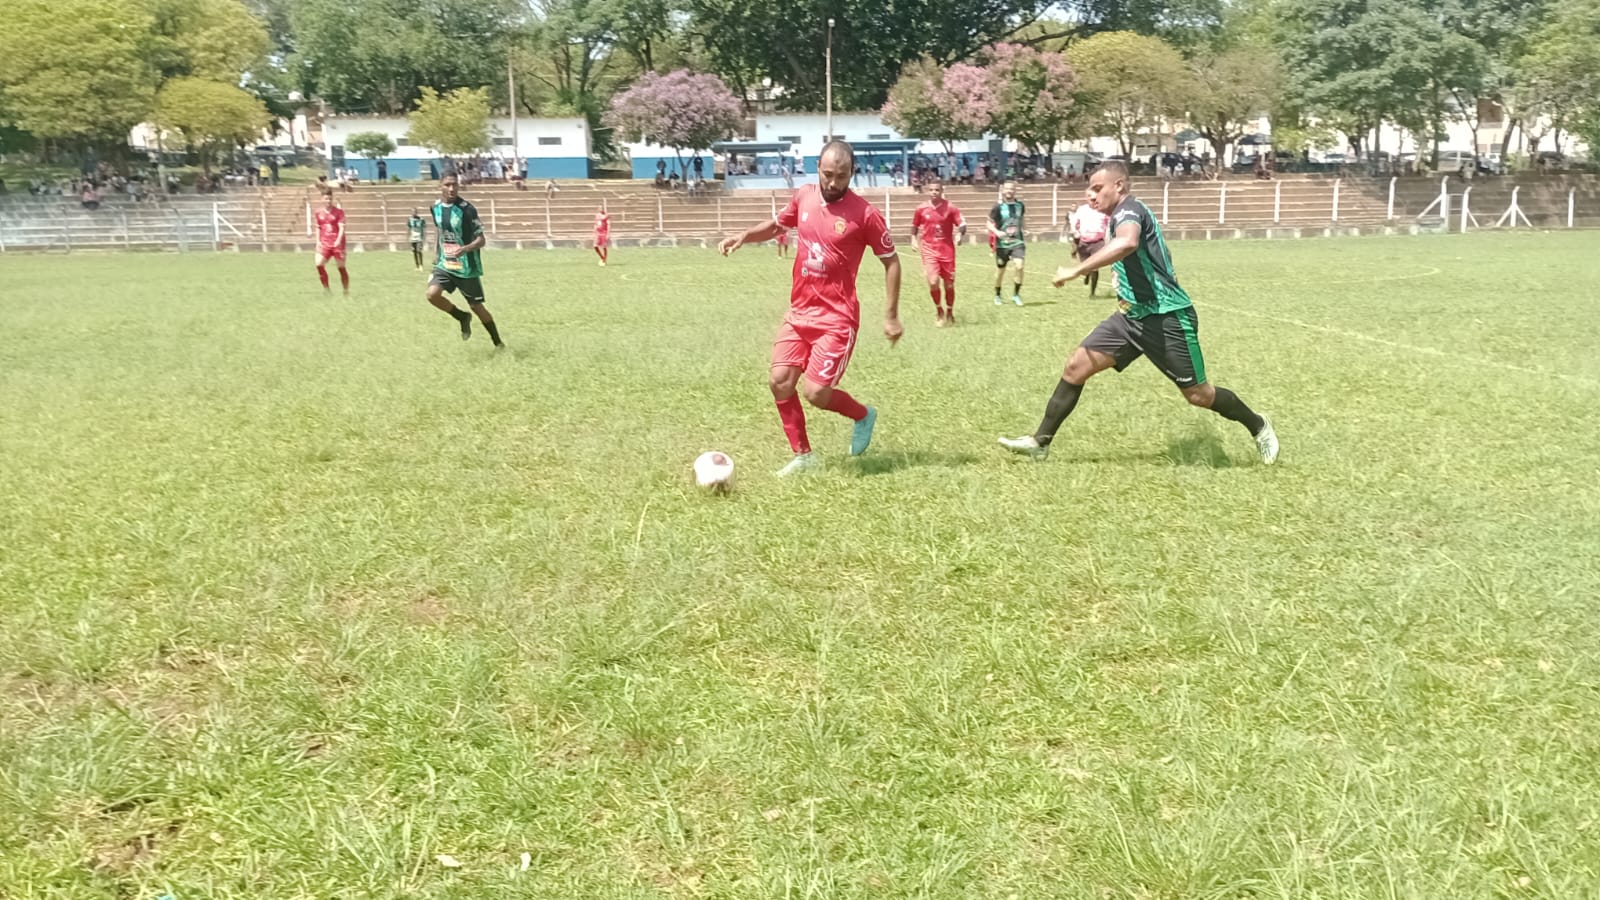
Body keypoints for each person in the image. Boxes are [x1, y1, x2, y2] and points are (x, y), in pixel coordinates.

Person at [997, 161, 1279, 464]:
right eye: (1088, 189)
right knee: (1076, 367)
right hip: (1130, 318)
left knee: (1198, 395)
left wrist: (1077, 269)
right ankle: (1041, 442)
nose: (1090, 196)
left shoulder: (1129, 210)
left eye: (1097, 188)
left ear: (1118, 186)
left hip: (1167, 317)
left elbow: (1128, 241)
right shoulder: (1118, 215)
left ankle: (1258, 425)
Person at [717, 141, 902, 477]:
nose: (833, 183)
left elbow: (891, 262)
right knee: (779, 381)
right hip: (799, 313)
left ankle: (862, 415)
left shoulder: (865, 215)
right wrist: (744, 235)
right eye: (828, 174)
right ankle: (804, 456)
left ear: (852, 173)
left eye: (841, 176)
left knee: (816, 393)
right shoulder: (803, 196)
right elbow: (777, 226)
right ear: (817, 167)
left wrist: (890, 315)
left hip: (837, 319)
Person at [426, 174, 503, 348]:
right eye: (448, 184)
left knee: (477, 307)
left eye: (455, 185)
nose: (452, 188)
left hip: (466, 268)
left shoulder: (467, 209)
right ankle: (462, 316)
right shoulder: (435, 207)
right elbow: (439, 230)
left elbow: (481, 240)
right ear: (440, 185)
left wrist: (465, 249)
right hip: (445, 264)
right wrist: (436, 254)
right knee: (432, 295)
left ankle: (498, 343)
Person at [909, 176, 966, 326]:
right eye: (931, 190)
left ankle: (950, 311)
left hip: (947, 250)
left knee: (949, 285)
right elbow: (914, 226)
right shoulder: (921, 208)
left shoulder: (951, 208)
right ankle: (939, 311)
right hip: (929, 249)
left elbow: (962, 224)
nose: (934, 192)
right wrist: (913, 239)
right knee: (933, 282)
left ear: (942, 191)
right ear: (928, 191)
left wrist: (960, 234)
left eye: (937, 190)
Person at [987, 181, 1026, 306]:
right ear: (1003, 190)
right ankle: (997, 295)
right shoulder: (997, 207)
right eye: (1007, 189)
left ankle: (1016, 295)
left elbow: (1022, 219)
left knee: (1019, 266)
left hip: (1017, 242)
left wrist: (1024, 229)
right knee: (1000, 271)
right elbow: (988, 223)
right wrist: (997, 232)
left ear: (1015, 190)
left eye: (1012, 189)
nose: (1009, 191)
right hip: (1002, 245)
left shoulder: (1020, 205)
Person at [1067, 189, 1110, 297]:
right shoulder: (1082, 210)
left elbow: (1109, 223)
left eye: (1096, 199)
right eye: (1092, 199)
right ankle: (1087, 274)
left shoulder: (1103, 209)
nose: (1094, 201)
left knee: (1095, 266)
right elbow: (1074, 223)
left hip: (1098, 242)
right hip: (1084, 242)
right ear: (1087, 199)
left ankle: (1092, 293)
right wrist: (1075, 233)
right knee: (1085, 268)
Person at [313, 193, 350, 296]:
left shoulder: (339, 212)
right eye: (326, 198)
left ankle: (345, 291)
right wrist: (318, 241)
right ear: (322, 199)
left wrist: (338, 240)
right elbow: (318, 227)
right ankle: (327, 290)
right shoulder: (318, 212)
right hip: (324, 242)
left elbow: (342, 227)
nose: (328, 201)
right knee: (319, 264)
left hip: (337, 243)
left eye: (330, 198)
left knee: (341, 267)